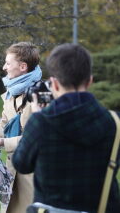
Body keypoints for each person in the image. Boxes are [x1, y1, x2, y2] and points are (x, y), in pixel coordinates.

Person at [12, 43, 120, 212]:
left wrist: (36, 116)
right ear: (90, 81)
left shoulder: (41, 122)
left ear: (54, 84)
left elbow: (21, 164)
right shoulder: (114, 122)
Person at [0, 42, 41, 213]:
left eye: (8, 63)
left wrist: (1, 142)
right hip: (13, 170)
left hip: (33, 173)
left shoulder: (39, 96)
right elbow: (5, 124)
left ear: (22, 66)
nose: (4, 67)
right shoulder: (11, 92)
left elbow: (38, 139)